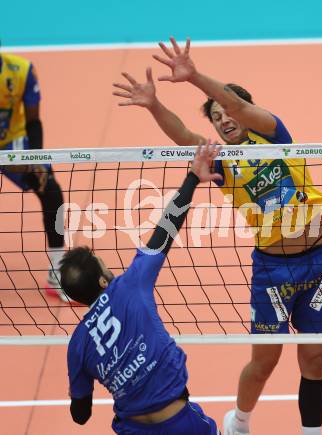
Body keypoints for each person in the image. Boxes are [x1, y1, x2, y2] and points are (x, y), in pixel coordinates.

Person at [113, 37, 322, 435]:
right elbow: (184, 134)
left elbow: (238, 105)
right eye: (216, 117)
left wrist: (196, 77)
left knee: (315, 359)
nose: (223, 119)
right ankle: (240, 422)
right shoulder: (222, 160)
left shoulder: (273, 135)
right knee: (264, 363)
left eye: (227, 112)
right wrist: (153, 104)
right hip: (273, 270)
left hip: (321, 260)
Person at [62, 143, 222, 434]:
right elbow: (165, 230)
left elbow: (80, 415)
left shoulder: (77, 345)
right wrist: (193, 178)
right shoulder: (129, 284)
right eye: (102, 263)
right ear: (102, 280)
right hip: (182, 424)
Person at [0, 52, 66, 300]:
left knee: (50, 190)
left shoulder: (20, 71)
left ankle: (57, 271)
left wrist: (35, 160)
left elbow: (34, 122)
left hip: (12, 142)